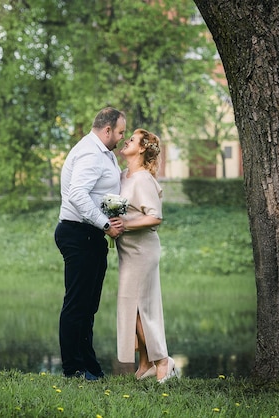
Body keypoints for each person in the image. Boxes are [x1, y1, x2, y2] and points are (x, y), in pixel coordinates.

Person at [54, 107, 127, 380]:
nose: (122, 137)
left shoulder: (102, 153)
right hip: (78, 234)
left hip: (90, 235)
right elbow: (77, 194)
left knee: (88, 307)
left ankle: (90, 367)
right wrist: (106, 224)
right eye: (120, 131)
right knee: (77, 305)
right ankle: (72, 369)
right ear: (107, 129)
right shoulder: (89, 153)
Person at [116, 128, 177, 383]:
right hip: (127, 250)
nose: (126, 140)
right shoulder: (123, 176)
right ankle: (145, 364)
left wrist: (123, 225)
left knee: (141, 308)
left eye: (131, 139)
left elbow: (155, 216)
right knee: (132, 307)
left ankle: (163, 360)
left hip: (142, 250)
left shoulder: (142, 179)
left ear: (142, 149)